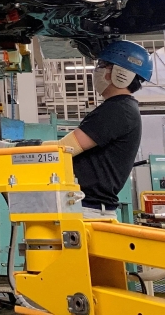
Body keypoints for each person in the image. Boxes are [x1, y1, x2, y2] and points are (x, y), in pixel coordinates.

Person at [62, 41, 153, 219]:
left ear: (122, 73)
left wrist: (12, 151)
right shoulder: (120, 108)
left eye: (103, 65)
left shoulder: (118, 110)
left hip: (88, 211)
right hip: (89, 208)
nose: (98, 71)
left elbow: (65, 148)